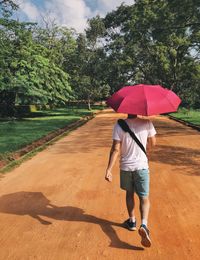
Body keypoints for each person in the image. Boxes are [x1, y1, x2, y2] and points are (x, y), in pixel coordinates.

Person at [105, 114, 156, 248]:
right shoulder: (147, 123)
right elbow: (153, 142)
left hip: (126, 167)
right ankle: (144, 224)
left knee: (129, 194)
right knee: (144, 197)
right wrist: (146, 153)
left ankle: (132, 222)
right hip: (142, 166)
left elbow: (116, 149)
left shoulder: (119, 125)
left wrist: (109, 169)